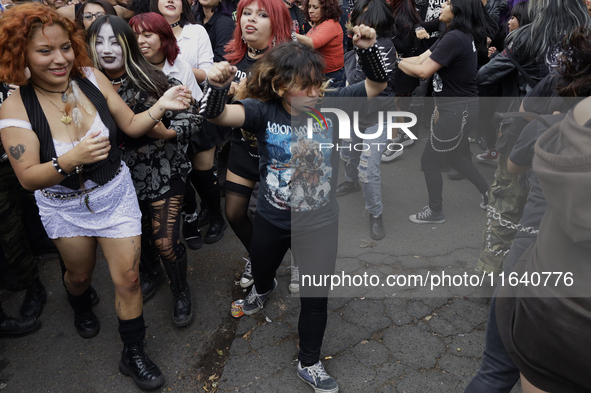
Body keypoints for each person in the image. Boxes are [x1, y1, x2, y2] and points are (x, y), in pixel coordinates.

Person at [0, 4, 192, 389]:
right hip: (64, 207)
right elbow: (27, 178)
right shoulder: (14, 108)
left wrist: (160, 106)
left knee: (130, 278)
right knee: (78, 275)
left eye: (65, 48)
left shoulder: (91, 77)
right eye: (44, 51)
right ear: (20, 54)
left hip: (114, 195)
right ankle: (80, 303)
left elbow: (133, 124)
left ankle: (133, 352)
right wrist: (72, 159)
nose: (60, 59)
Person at [205, 23, 387, 392]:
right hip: (272, 220)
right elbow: (220, 117)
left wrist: (367, 50)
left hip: (320, 224)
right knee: (262, 273)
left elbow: (375, 87)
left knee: (315, 298)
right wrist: (217, 88)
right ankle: (264, 285)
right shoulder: (261, 111)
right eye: (305, 86)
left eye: (317, 83)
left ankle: (310, 361)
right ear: (280, 86)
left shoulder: (331, 106)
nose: (315, 92)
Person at [88, 15, 201, 325]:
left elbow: (193, 118)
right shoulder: (85, 89)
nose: (107, 49)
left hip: (162, 169)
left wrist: (166, 133)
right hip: (117, 178)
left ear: (128, 45)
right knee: (141, 242)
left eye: (115, 41)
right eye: (98, 42)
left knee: (165, 241)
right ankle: (151, 274)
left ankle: (180, 290)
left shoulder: (155, 78)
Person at [473, 0, 589, 274]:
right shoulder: (585, 40)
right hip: (573, 141)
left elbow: (484, 76)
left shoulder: (528, 36)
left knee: (505, 206)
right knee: (546, 212)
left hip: (524, 130)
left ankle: (491, 272)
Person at [396, 0, 490, 224]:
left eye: (448, 3)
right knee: (453, 155)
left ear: (458, 10)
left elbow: (422, 72)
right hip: (458, 109)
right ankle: (489, 192)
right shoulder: (453, 34)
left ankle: (435, 211)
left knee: (429, 161)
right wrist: (396, 60)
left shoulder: (455, 38)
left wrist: (396, 62)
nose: (443, 5)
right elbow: (419, 59)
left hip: (457, 111)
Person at [222, 0, 292, 289]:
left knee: (285, 215)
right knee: (234, 213)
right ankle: (259, 258)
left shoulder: (287, 62)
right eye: (246, 14)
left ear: (276, 23)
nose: (251, 20)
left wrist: (246, 94)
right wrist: (223, 93)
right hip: (243, 148)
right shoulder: (232, 59)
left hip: (277, 153)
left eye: (262, 15)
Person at [151, 0, 227, 246]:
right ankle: (192, 218)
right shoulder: (146, 35)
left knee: (203, 172)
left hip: (196, 111)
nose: (170, 0)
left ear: (184, 6)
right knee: (182, 175)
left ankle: (216, 215)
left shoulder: (196, 31)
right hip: (162, 119)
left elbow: (207, 73)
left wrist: (173, 62)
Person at [336, 0, 398, 240]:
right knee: (346, 154)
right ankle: (351, 182)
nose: (358, 24)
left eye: (364, 19)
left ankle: (375, 213)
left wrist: (353, 62)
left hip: (377, 117)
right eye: (356, 18)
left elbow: (360, 81)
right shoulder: (355, 48)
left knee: (368, 170)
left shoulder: (380, 47)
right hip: (354, 115)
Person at [295, 0, 345, 87]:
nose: (310, 10)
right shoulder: (316, 25)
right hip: (321, 74)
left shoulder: (330, 24)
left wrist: (291, 34)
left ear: (326, 9)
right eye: (309, 7)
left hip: (332, 76)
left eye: (315, 7)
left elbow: (314, 43)